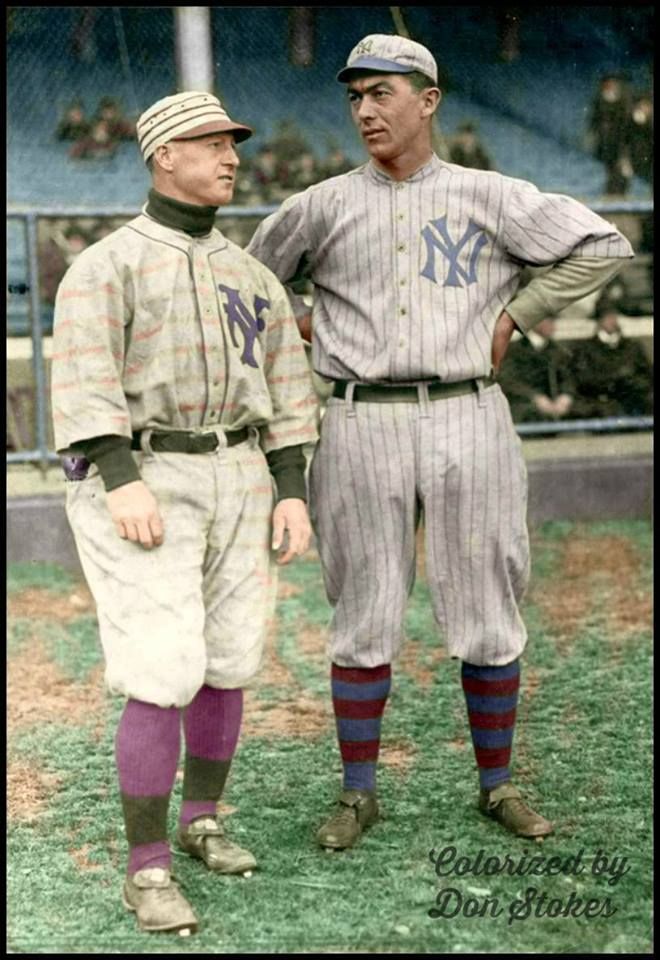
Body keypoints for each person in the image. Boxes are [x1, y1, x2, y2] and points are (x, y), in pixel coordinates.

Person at [247, 33, 633, 850]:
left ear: (428, 101)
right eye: (354, 96)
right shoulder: (319, 203)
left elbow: (604, 242)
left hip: (468, 407)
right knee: (363, 610)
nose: (364, 109)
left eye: (381, 93)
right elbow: (247, 285)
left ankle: (496, 785)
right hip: (358, 415)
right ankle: (358, 793)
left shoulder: (489, 193)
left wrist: (516, 315)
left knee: (489, 605)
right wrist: (304, 327)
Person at [51, 91, 319, 936]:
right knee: (162, 666)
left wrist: (292, 488)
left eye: (234, 143)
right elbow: (86, 378)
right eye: (212, 144)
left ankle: (201, 820)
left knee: (229, 658)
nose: (232, 156)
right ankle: (146, 868)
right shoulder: (109, 263)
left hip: (240, 467)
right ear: (166, 154)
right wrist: (119, 473)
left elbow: (286, 387)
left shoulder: (251, 272)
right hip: (149, 472)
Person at [570, 298, 652, 418]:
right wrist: (615, 379)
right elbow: (583, 380)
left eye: (614, 316)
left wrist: (632, 382)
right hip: (601, 402)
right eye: (608, 317)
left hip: (633, 400)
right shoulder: (586, 349)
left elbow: (647, 373)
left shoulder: (631, 346)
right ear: (599, 321)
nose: (613, 320)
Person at [497, 315, 574, 423]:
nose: (552, 325)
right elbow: (509, 381)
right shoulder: (513, 350)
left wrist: (565, 396)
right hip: (523, 406)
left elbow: (567, 378)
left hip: (555, 407)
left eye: (553, 320)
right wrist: (535, 397)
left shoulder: (558, 351)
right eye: (548, 320)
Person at [587, 73, 634, 196]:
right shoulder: (599, 100)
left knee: (622, 165)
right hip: (607, 140)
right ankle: (612, 191)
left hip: (622, 139)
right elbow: (594, 119)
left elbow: (627, 120)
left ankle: (621, 190)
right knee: (610, 167)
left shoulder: (624, 99)